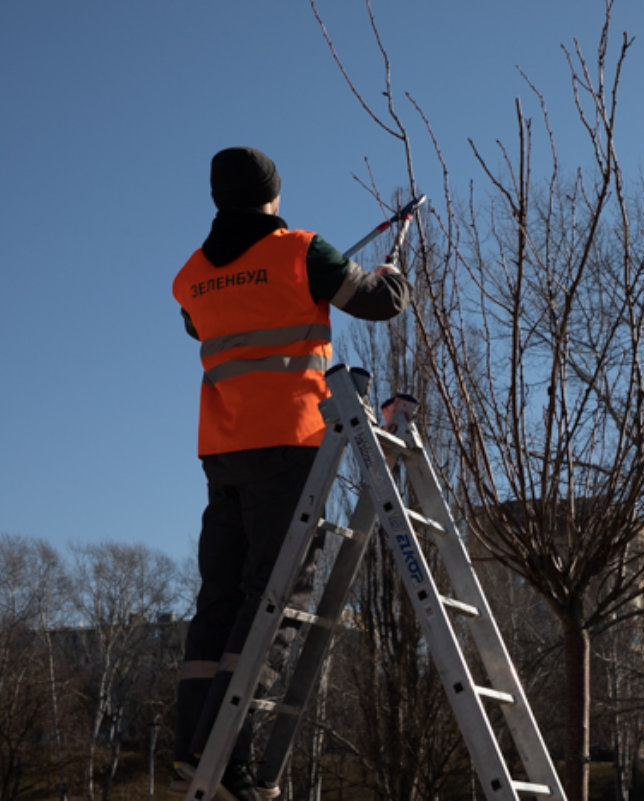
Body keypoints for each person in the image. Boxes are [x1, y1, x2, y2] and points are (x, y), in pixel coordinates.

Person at [170, 146, 411, 801]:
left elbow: (198, 324)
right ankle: (234, 750)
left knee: (221, 594)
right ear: (273, 195)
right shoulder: (299, 249)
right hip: (291, 440)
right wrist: (395, 267)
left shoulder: (191, 275)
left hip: (222, 450)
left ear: (220, 199)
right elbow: (381, 301)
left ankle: (194, 741)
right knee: (279, 595)